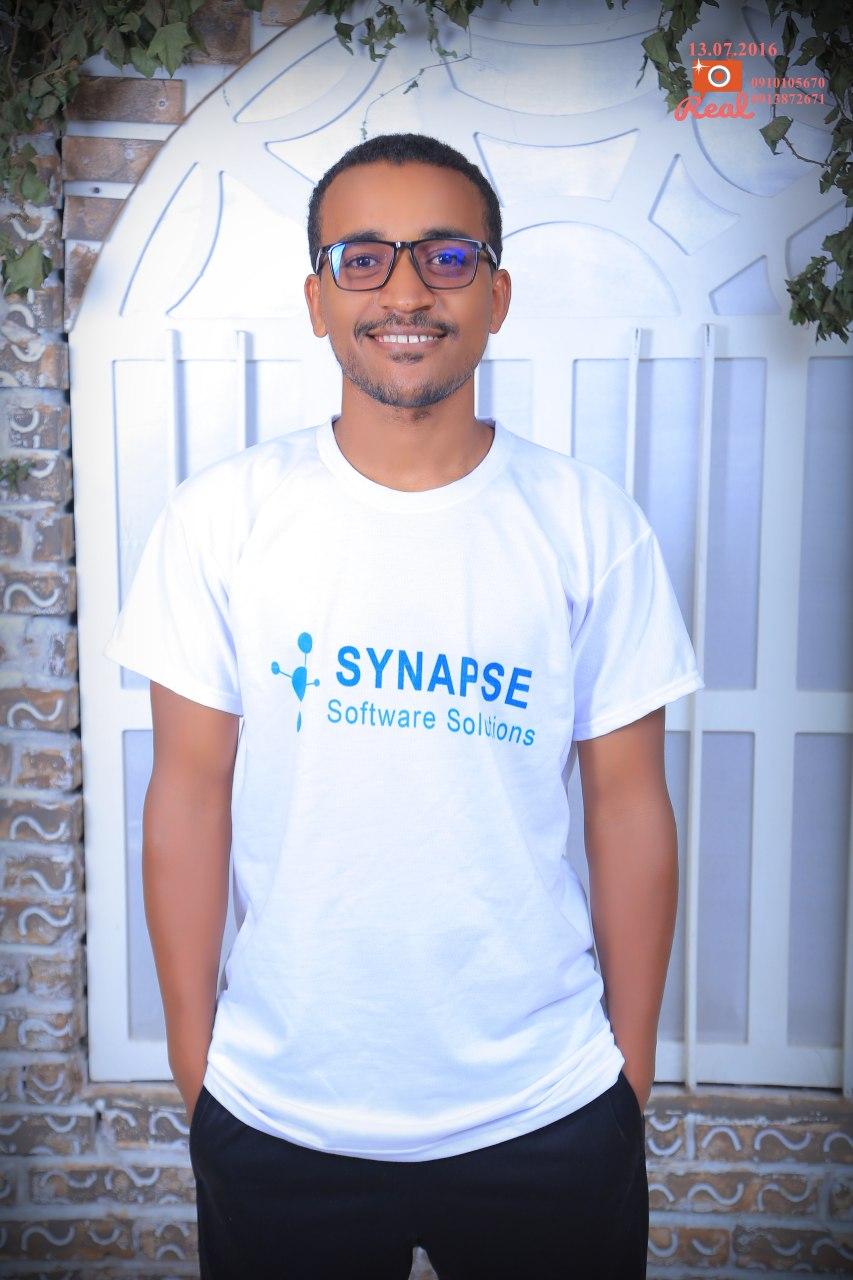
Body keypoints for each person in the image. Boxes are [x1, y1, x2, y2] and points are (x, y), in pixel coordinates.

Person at [103, 131, 704, 1279]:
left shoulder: (588, 524)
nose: (407, 291)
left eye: (446, 255)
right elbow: (187, 794)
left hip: (546, 1106)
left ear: (497, 294)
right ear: (318, 300)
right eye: (364, 258)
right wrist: (198, 1066)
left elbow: (629, 804)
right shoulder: (222, 519)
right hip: (281, 1108)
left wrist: (622, 1081)